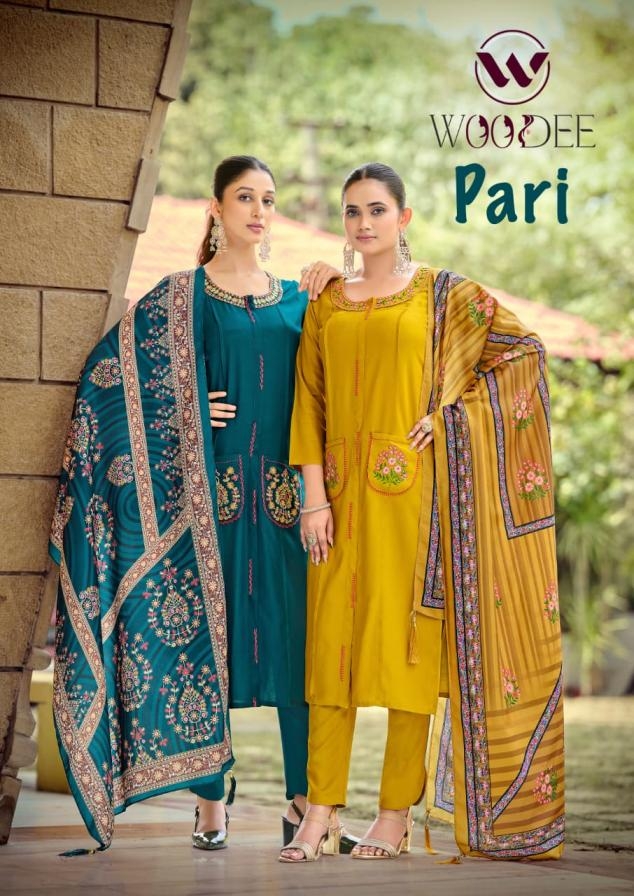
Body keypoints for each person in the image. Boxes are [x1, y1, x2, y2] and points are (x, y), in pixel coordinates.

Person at [48, 155, 345, 853]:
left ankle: (305, 801)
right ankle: (211, 803)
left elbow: (335, 378)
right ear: (216, 208)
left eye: (268, 198)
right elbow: (107, 380)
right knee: (206, 651)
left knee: (298, 652)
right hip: (206, 506)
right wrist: (177, 410)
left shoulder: (300, 299)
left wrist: (337, 281)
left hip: (288, 506)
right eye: (245, 197)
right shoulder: (181, 298)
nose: (259, 211)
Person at [280, 162, 564, 863]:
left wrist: (453, 418)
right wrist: (313, 497)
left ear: (402, 217)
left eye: (377, 209)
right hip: (338, 503)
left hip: (417, 501)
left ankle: (393, 815)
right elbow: (308, 400)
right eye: (352, 211)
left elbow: (523, 354)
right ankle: (319, 812)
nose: (363, 223)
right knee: (330, 656)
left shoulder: (443, 295)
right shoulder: (326, 301)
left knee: (409, 653)